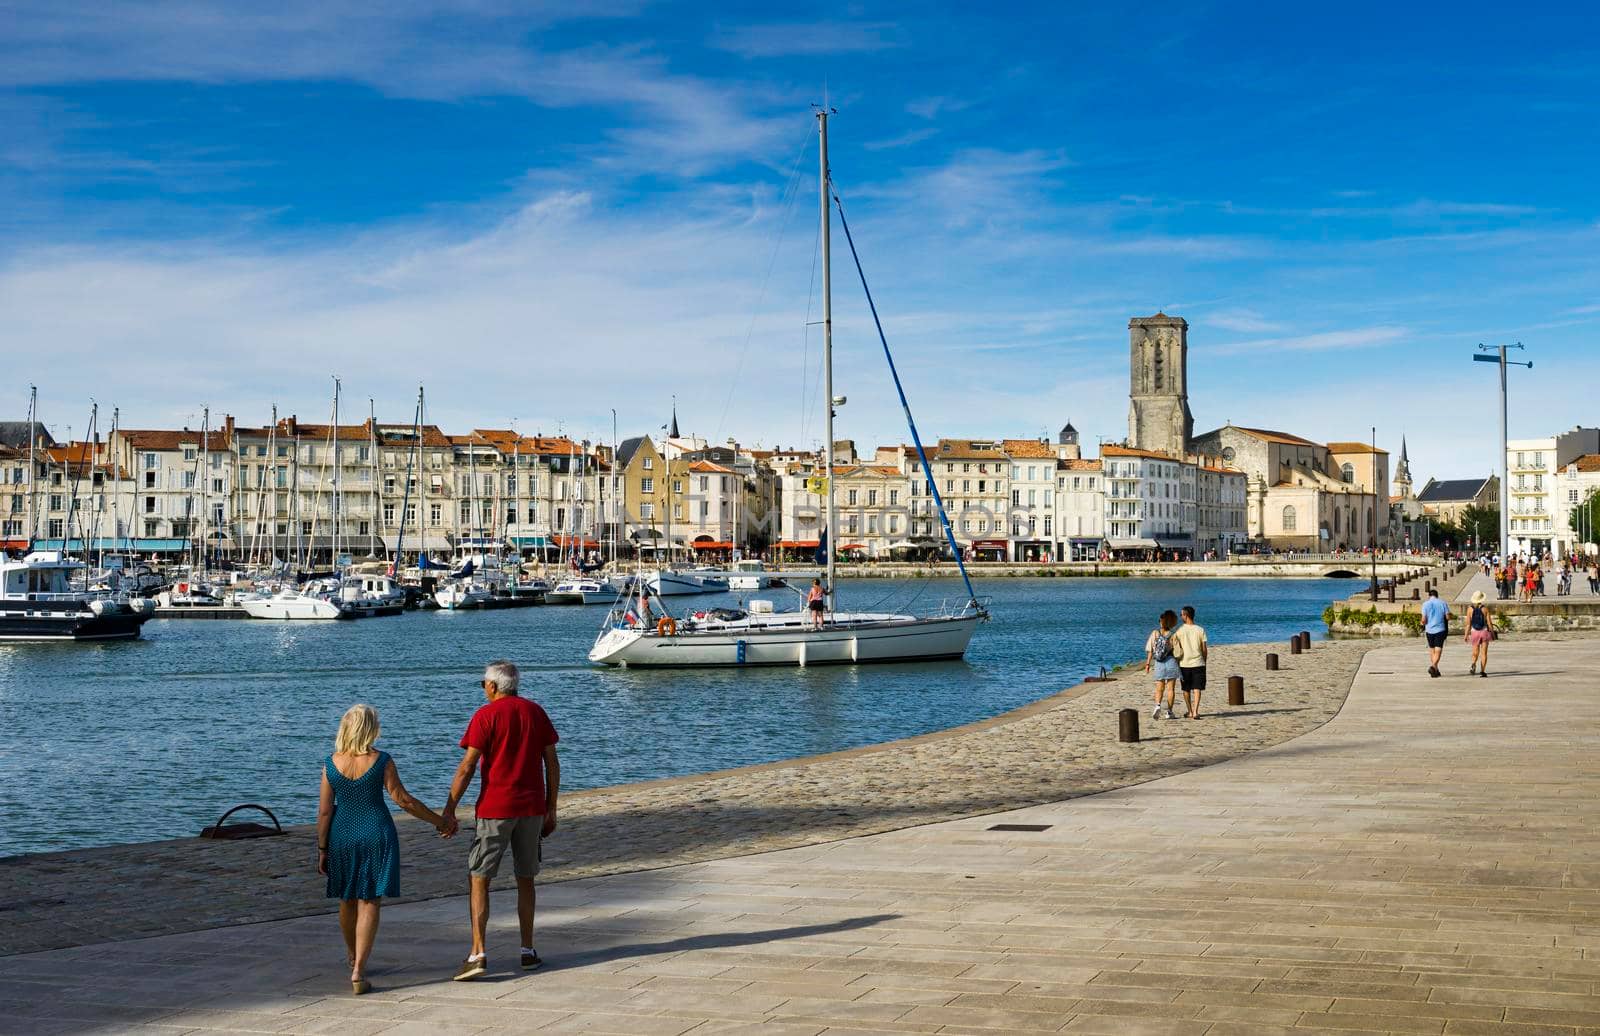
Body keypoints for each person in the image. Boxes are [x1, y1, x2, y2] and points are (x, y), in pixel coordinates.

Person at [317, 704, 452, 995]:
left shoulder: (331, 764)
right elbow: (403, 800)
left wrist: (322, 847)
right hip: (377, 832)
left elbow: (325, 812)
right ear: (371, 728)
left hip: (342, 834)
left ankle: (353, 954)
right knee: (370, 900)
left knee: (347, 897)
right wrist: (439, 821)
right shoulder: (382, 761)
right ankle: (358, 970)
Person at [442, 661, 561, 981]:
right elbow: (551, 762)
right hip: (532, 809)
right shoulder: (536, 712)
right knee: (526, 878)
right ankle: (527, 949)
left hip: (495, 808)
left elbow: (467, 766)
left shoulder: (485, 716)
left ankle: (478, 952)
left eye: (484, 683)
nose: (483, 687)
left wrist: (449, 808)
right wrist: (551, 807)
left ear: (493, 686)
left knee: (479, 877)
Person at [1172, 605, 1208, 719]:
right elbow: (1204, 649)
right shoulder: (1200, 630)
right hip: (1198, 662)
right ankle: (1196, 711)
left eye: (1181, 614)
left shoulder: (1180, 631)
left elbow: (1173, 644)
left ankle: (1190, 711)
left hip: (1184, 663)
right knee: (1197, 688)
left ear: (1186, 615)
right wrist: (1204, 661)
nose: (1181, 616)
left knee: (1186, 688)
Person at [1144, 609, 1180, 720]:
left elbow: (1150, 650)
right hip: (1171, 662)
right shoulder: (1173, 635)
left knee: (1159, 688)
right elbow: (1178, 652)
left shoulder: (1155, 633)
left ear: (1160, 622)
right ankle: (1169, 712)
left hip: (1159, 663)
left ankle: (1158, 705)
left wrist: (1147, 664)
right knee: (1171, 689)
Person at [1421, 587, 1449, 678]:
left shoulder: (1425, 604)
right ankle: (1433, 667)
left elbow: (1424, 620)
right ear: (1437, 596)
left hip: (1429, 630)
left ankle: (1435, 670)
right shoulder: (1443, 603)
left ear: (1429, 596)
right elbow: (1448, 617)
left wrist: (1422, 623)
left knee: (1432, 650)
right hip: (1440, 629)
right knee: (1438, 650)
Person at [1464, 590, 1493, 678]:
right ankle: (1483, 671)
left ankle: (1473, 663)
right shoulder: (1485, 609)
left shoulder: (1469, 609)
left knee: (1475, 652)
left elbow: (1468, 624)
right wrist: (1492, 633)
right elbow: (1489, 623)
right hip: (1484, 632)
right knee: (1484, 653)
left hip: (1474, 632)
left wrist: (1466, 635)